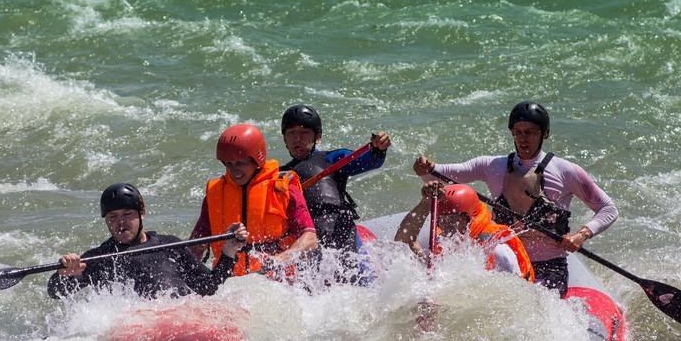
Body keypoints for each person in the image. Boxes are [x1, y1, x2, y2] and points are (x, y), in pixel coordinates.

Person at [413, 101, 618, 296]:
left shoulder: (566, 171)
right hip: (504, 260)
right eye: (518, 132)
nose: (523, 138)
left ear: (544, 134)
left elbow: (608, 208)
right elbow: (439, 174)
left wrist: (581, 235)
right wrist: (426, 167)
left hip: (548, 267)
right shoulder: (493, 166)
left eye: (530, 132)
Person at [48, 182, 248, 299]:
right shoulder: (100, 258)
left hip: (179, 324)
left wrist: (229, 251)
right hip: (141, 335)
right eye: (113, 217)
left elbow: (209, 287)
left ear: (142, 213)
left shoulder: (170, 246)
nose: (121, 223)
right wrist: (64, 274)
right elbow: (56, 292)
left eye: (127, 214)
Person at [190, 123, 318, 277]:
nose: (234, 170)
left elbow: (310, 239)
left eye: (240, 163)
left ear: (257, 160)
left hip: (278, 285)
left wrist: (279, 260)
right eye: (228, 164)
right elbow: (195, 247)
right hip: (230, 285)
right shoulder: (215, 193)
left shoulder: (283, 189)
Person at [278, 105, 390, 280]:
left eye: (304, 132)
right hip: (309, 241)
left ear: (318, 136)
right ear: (284, 138)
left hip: (342, 233)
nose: (297, 138)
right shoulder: (280, 175)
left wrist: (378, 149)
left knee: (362, 285)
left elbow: (367, 161)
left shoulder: (332, 159)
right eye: (291, 133)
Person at [395, 181, 535, 281]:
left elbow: (516, 296)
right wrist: (425, 204)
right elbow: (404, 241)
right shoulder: (442, 244)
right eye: (442, 219)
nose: (446, 226)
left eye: (453, 219)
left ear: (470, 218)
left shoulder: (498, 250)